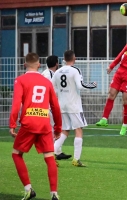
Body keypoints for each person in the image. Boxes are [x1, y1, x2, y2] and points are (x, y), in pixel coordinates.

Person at [9, 53, 62, 200]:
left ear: (25, 65)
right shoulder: (47, 82)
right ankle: (54, 194)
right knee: (49, 157)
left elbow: (16, 105)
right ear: (39, 65)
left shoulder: (20, 80)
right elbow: (56, 107)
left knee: (16, 154)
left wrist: (12, 124)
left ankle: (28, 189)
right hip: (44, 123)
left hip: (28, 123)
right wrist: (58, 128)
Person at [52, 50, 97, 167]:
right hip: (74, 105)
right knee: (78, 129)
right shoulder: (75, 70)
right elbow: (80, 85)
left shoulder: (58, 72)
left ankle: (51, 152)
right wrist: (93, 85)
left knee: (65, 131)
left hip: (62, 105)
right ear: (74, 58)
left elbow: (52, 87)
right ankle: (76, 159)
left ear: (64, 59)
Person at [42, 55, 72, 161]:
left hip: (47, 105)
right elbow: (51, 90)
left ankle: (57, 151)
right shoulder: (50, 75)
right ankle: (53, 152)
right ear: (56, 64)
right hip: (49, 106)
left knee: (56, 128)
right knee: (56, 129)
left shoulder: (46, 73)